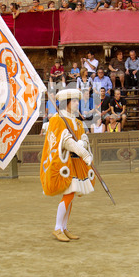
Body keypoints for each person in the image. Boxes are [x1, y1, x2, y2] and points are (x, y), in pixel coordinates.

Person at [40, 89, 95, 242]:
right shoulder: (57, 120)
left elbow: (83, 137)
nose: (78, 103)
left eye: (78, 100)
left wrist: (82, 144)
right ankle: (58, 228)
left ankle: (64, 227)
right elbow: (63, 141)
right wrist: (82, 152)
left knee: (71, 196)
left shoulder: (77, 121)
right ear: (67, 102)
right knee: (69, 195)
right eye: (75, 101)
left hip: (75, 163)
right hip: (65, 162)